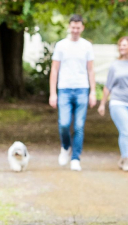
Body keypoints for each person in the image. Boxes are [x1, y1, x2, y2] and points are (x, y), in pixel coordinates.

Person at [49, 14, 97, 171]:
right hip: (64, 89)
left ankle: (76, 158)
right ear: (69, 27)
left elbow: (91, 70)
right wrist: (52, 93)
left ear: (82, 28)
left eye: (78, 27)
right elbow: (54, 70)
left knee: (79, 126)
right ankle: (65, 147)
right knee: (64, 124)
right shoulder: (61, 45)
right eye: (73, 27)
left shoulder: (87, 46)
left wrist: (93, 92)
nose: (75, 30)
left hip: (82, 89)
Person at [97, 36, 128, 172]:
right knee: (125, 131)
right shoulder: (115, 65)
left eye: (124, 45)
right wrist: (102, 104)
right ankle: (127, 160)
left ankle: (124, 156)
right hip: (118, 101)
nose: (121, 48)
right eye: (120, 45)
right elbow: (108, 86)